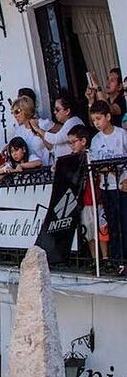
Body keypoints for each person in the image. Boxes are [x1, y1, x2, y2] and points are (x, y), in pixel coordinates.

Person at [88, 100, 127, 276]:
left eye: (99, 118)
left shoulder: (121, 135)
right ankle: (119, 260)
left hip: (123, 186)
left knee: (124, 222)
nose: (96, 123)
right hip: (107, 187)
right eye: (94, 120)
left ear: (108, 117)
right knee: (113, 224)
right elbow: (96, 164)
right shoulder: (96, 141)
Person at [69, 124, 108, 266]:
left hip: (97, 198)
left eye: (74, 142)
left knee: (102, 230)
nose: (71, 146)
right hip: (84, 201)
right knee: (89, 231)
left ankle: (105, 258)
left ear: (83, 141)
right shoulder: (73, 159)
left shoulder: (92, 154)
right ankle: (94, 259)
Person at [30, 94, 84, 158]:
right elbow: (52, 149)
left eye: (57, 109)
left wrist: (38, 129)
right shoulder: (67, 123)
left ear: (67, 111)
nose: (55, 112)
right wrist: (42, 136)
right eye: (54, 109)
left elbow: (56, 139)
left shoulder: (73, 121)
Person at [11, 96, 51, 164]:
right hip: (29, 171)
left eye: (17, 111)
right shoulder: (19, 131)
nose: (15, 115)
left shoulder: (43, 123)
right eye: (13, 112)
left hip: (46, 168)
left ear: (26, 109)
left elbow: (51, 147)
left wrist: (39, 132)